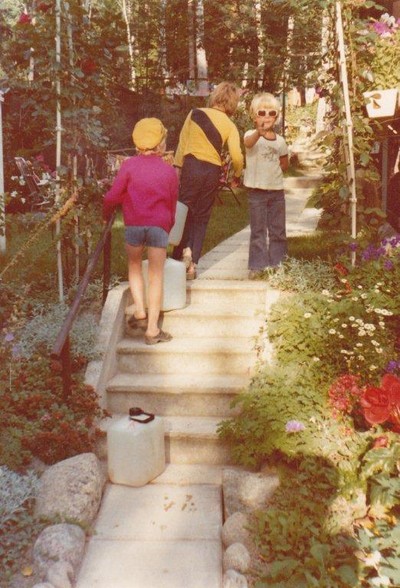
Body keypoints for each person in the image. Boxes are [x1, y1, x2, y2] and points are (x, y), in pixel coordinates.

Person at [103, 118, 179, 345]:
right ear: (161, 143)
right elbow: (172, 204)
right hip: (158, 227)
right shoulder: (168, 171)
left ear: (137, 142)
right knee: (156, 276)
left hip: (134, 225)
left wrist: (105, 214)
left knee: (134, 266)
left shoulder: (128, 166)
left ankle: (139, 311)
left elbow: (113, 196)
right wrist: (168, 225)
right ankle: (153, 330)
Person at [171, 81, 244, 279]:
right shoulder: (230, 125)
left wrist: (178, 168)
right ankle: (192, 264)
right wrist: (237, 176)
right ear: (233, 103)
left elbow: (182, 144)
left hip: (191, 166)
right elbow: (237, 157)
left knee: (184, 211)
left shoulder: (194, 114)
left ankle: (177, 258)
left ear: (215, 96)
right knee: (202, 216)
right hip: (211, 171)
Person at [243, 92, 289, 277]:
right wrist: (258, 133)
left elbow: (284, 163)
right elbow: (248, 143)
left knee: (278, 230)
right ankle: (257, 266)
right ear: (254, 116)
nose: (267, 117)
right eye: (262, 113)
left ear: (276, 117)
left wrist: (274, 173)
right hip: (257, 192)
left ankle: (278, 263)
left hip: (276, 192)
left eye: (271, 113)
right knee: (258, 230)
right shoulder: (251, 135)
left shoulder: (280, 141)